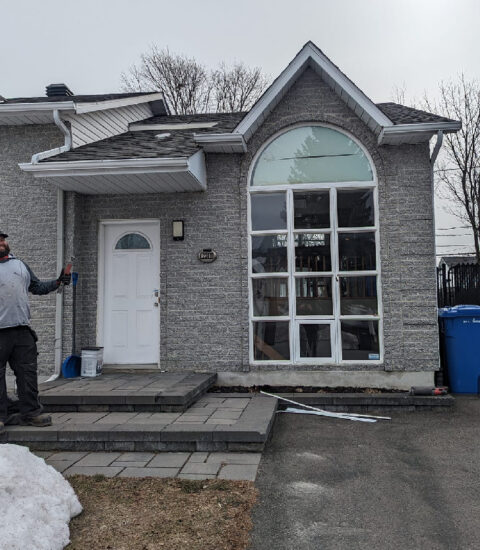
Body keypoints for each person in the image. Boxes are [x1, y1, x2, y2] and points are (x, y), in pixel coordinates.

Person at [0, 231, 71, 434]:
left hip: (22, 331)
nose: (1, 243)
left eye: (3, 239)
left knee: (28, 374)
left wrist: (58, 282)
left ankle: (31, 413)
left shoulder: (20, 265)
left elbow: (37, 287)